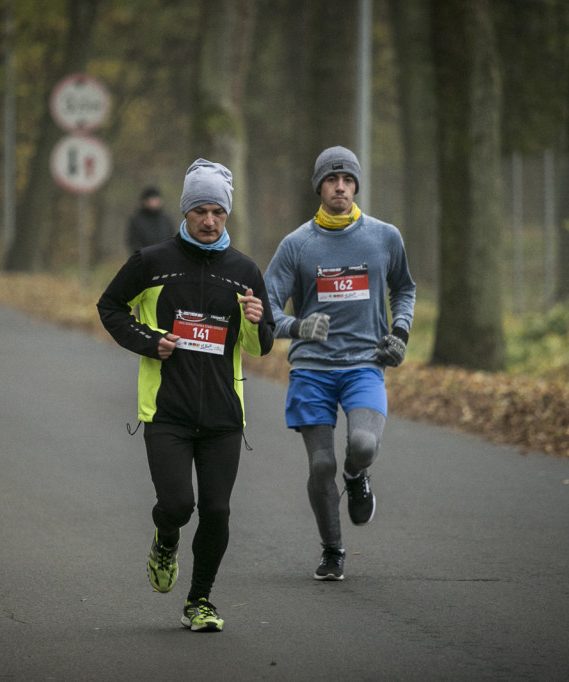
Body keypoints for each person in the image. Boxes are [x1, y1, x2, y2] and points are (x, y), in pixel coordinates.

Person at [97, 159, 274, 632]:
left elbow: (258, 347)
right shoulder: (152, 262)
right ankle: (166, 538)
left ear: (227, 215)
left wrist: (256, 321)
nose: (210, 220)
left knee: (217, 510)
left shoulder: (244, 272)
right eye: (201, 210)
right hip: (167, 411)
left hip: (222, 415)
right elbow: (110, 307)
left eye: (218, 211)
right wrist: (147, 340)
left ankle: (200, 601)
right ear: (186, 211)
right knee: (177, 504)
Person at [263, 146, 416, 581]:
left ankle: (356, 476)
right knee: (319, 466)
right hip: (311, 369)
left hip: (364, 364)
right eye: (332, 180)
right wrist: (298, 328)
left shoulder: (384, 237)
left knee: (363, 445)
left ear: (357, 186)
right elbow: (266, 311)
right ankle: (332, 550)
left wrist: (400, 333)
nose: (341, 187)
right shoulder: (297, 245)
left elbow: (405, 288)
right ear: (319, 187)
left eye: (348, 180)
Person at [126, 186, 176, 253]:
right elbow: (133, 243)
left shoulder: (166, 220)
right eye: (152, 199)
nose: (154, 202)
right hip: (144, 258)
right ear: (145, 201)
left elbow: (172, 238)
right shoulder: (136, 221)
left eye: (156, 199)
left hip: (164, 257)